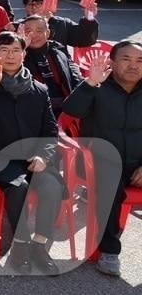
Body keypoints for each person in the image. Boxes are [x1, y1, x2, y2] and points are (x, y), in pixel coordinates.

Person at [0, 32, 63, 276]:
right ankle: (20, 246)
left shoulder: (38, 89)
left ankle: (39, 247)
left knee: (52, 187)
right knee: (17, 187)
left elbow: (50, 130)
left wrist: (44, 156)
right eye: (3, 50)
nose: (9, 55)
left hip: (33, 158)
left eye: (15, 50)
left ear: (23, 54)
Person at [62, 40, 142, 278]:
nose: (133, 66)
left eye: (140, 61)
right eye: (126, 59)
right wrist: (90, 83)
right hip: (97, 162)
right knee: (110, 180)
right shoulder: (97, 86)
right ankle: (109, 251)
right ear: (113, 62)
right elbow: (71, 112)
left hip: (137, 163)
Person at [22, 15, 84, 114]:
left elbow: (75, 75)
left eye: (39, 31)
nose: (33, 35)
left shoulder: (58, 50)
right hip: (35, 108)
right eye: (28, 31)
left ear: (48, 33)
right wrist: (21, 48)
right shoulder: (18, 55)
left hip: (65, 104)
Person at [21, 0, 99, 48]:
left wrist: (89, 17)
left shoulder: (61, 23)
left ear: (47, 4)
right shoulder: (20, 25)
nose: (34, 7)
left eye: (39, 3)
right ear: (25, 7)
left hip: (59, 64)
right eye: (30, 4)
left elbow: (84, 40)